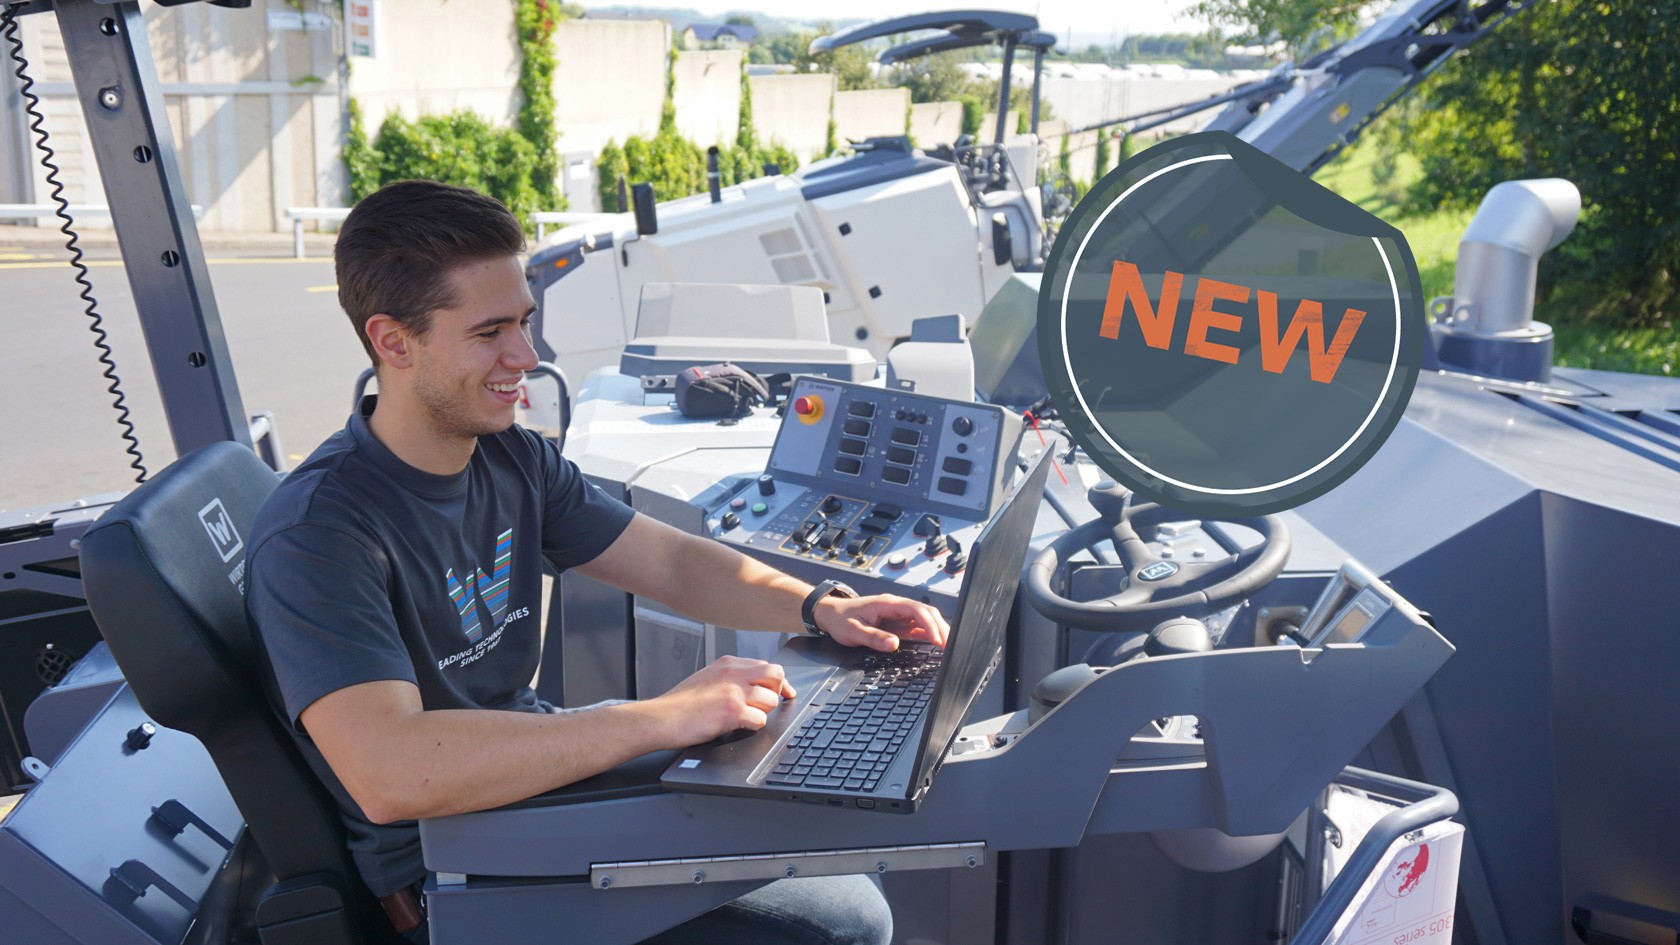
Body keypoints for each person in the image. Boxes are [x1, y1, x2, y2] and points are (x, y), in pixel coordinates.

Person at [245, 179, 949, 944]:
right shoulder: (321, 533)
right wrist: (658, 719)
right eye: (490, 333)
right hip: (454, 869)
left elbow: (674, 563)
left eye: (525, 322)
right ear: (393, 341)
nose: (526, 356)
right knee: (845, 918)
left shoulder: (508, 455)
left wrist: (820, 606)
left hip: (534, 791)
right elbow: (393, 772)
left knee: (828, 828)